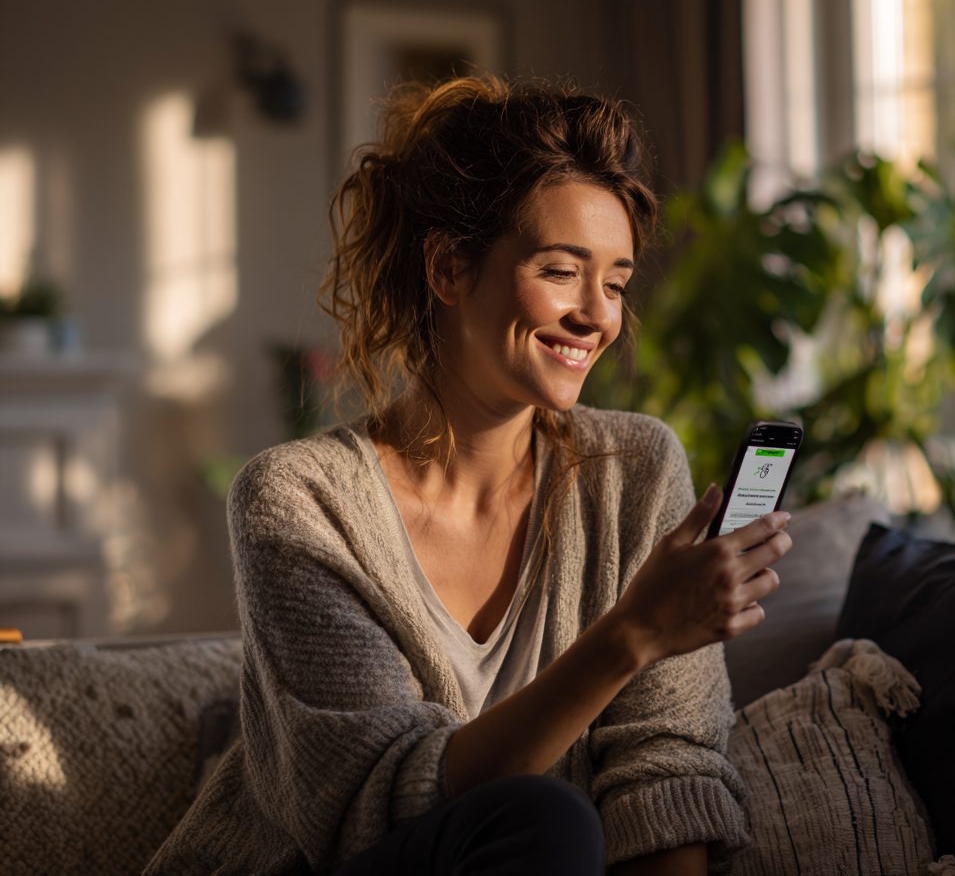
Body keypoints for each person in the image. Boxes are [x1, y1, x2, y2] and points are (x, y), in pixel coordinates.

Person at [143, 74, 792, 876]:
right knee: (543, 819)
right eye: (561, 271)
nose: (598, 315)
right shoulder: (297, 501)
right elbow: (374, 809)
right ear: (450, 268)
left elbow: (667, 775)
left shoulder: (636, 471)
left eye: (617, 283)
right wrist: (634, 633)